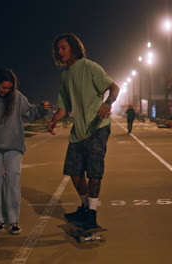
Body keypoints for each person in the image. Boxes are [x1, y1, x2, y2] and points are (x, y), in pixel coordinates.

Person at [47, 33, 120, 230]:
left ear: (73, 47)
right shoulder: (64, 76)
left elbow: (114, 88)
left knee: (94, 173)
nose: (60, 52)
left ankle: (92, 215)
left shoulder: (90, 67)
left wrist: (108, 103)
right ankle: (85, 207)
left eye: (63, 48)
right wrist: (54, 120)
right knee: (74, 173)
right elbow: (63, 107)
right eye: (57, 49)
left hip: (97, 127)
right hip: (78, 131)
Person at [0, 68, 49, 235]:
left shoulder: (17, 97)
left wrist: (42, 109)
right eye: (3, 88)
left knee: (13, 179)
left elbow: (30, 112)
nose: (6, 91)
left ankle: (13, 221)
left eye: (9, 88)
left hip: (14, 145)